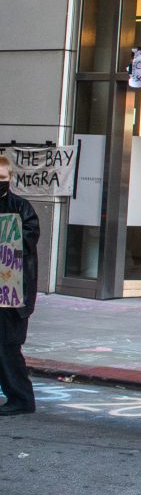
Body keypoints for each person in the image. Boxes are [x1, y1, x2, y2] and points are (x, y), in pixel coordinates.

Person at [0, 157, 39, 416]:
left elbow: (25, 242)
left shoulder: (21, 208)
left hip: (10, 293)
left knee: (7, 347)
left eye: (2, 178)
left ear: (10, 178)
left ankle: (21, 398)